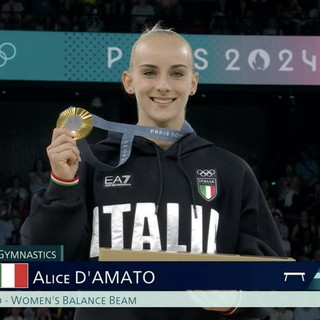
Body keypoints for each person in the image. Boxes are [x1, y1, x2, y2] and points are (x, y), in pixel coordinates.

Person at [21, 23, 285, 320]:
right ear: (128, 82)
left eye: (177, 73)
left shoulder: (231, 170)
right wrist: (62, 184)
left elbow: (274, 278)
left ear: (193, 83)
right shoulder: (91, 165)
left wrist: (234, 299)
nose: (163, 85)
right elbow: (45, 270)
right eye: (149, 72)